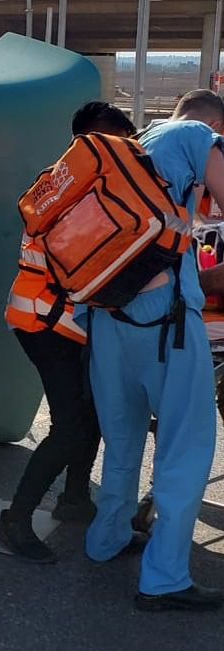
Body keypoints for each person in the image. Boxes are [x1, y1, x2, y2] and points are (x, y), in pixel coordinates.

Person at [84, 89, 224, 612]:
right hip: (167, 322)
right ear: (215, 123)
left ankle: (107, 538)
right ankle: (164, 579)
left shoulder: (131, 142)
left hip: (108, 315)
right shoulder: (198, 137)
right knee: (185, 447)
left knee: (121, 439)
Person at [0, 101, 137, 563]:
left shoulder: (70, 182)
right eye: (118, 145)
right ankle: (15, 520)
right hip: (45, 322)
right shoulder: (73, 190)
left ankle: (75, 500)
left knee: (91, 413)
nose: (127, 154)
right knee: (71, 427)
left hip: (65, 321)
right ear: (90, 144)